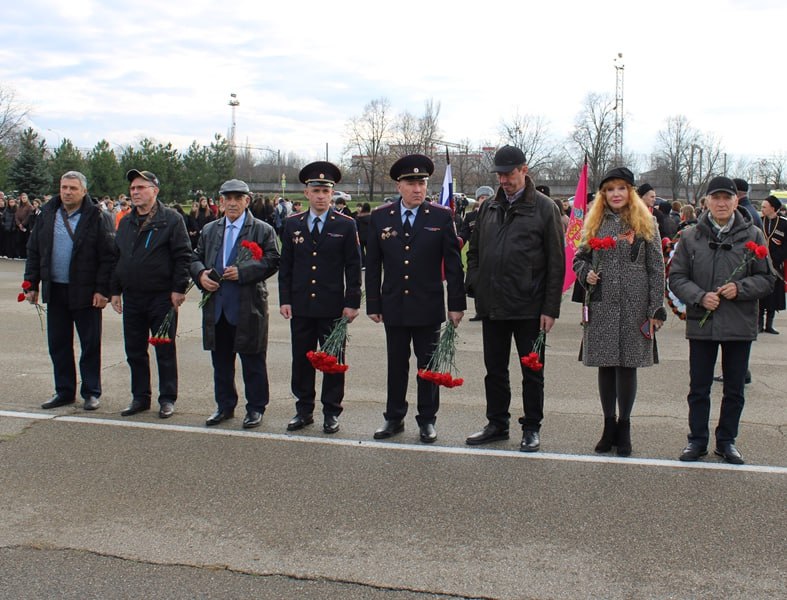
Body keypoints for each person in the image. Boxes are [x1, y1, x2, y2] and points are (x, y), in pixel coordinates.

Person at [464, 146, 565, 452]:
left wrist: (550, 308)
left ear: (524, 170)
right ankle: (497, 423)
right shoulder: (489, 208)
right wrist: (477, 284)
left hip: (529, 307)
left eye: (509, 174)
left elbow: (556, 262)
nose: (504, 180)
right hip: (493, 304)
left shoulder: (546, 209)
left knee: (532, 371)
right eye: (500, 174)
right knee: (494, 369)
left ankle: (532, 426)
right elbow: (476, 252)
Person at [669, 176, 774, 464]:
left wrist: (740, 288)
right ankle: (697, 440)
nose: (722, 203)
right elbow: (677, 277)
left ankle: (727, 441)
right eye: (716, 197)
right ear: (707, 202)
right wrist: (700, 296)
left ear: (736, 200)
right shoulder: (691, 236)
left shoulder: (752, 234)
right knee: (699, 387)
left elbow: (767, 279)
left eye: (727, 197)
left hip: (738, 323)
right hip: (702, 321)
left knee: (734, 389)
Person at [365, 154, 466, 443]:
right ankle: (394, 418)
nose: (418, 189)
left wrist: (456, 305)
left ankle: (427, 419)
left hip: (428, 305)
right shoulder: (381, 217)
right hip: (394, 305)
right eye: (411, 183)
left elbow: (454, 265)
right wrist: (374, 303)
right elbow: (372, 264)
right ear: (399, 186)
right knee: (396, 365)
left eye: (421, 182)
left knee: (428, 366)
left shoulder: (440, 216)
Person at [572, 167, 666, 456]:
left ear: (630, 192)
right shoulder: (595, 222)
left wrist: (655, 309)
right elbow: (579, 258)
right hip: (601, 305)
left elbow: (656, 268)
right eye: (610, 189)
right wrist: (586, 273)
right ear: (603, 194)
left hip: (634, 307)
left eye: (621, 188)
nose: (616, 194)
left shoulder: (646, 222)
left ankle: (624, 425)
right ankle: (608, 423)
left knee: (627, 367)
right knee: (605, 365)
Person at [279, 162, 362, 434]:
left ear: (332, 194)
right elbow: (286, 266)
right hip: (302, 305)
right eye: (315, 190)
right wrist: (285, 299)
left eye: (325, 191)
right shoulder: (292, 225)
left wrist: (352, 302)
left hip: (332, 306)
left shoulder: (346, 225)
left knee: (332, 361)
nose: (320, 196)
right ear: (306, 193)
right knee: (301, 360)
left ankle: (331, 412)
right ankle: (304, 410)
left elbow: (353, 266)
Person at [190, 179, 280, 429]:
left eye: (237, 198)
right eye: (227, 198)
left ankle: (255, 408)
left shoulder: (262, 229)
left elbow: (273, 260)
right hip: (217, 307)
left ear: (247, 201)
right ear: (220, 201)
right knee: (221, 362)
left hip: (247, 306)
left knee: (252, 361)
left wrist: (244, 271)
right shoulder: (210, 230)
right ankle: (224, 405)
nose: (232, 203)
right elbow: (194, 257)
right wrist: (200, 275)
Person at [24, 171, 116, 411]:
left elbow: (108, 257)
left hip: (87, 293)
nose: (67, 192)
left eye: (73, 188)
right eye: (64, 187)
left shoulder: (97, 216)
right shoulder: (46, 213)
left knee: (89, 344)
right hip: (56, 290)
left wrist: (102, 290)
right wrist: (31, 284)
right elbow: (34, 250)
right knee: (58, 343)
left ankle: (91, 392)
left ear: (83, 191)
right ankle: (64, 391)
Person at [110, 170, 192, 419]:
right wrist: (115, 290)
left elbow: (183, 255)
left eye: (140, 188)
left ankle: (167, 398)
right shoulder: (126, 221)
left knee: (164, 349)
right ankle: (140, 397)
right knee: (134, 350)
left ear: (154, 191)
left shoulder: (171, 220)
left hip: (161, 298)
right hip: (133, 297)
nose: (135, 192)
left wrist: (179, 288)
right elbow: (118, 257)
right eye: (133, 188)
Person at [459, 185, 494, 322]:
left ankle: (491, 311)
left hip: (491, 253)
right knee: (476, 283)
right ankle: (480, 311)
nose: (484, 200)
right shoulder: (470, 216)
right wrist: (457, 241)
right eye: (481, 197)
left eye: (487, 197)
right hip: (476, 254)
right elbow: (464, 233)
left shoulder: (496, 213)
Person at [759, 195, 786, 333]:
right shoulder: (759, 221)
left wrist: (775, 258)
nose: (762, 209)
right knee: (760, 294)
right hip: (759, 262)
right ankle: (758, 324)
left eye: (764, 207)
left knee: (773, 295)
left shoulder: (784, 223)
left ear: (773, 208)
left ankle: (769, 324)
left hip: (776, 265)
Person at [355, 202, 372, 268]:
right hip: (369, 236)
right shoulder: (371, 217)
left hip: (360, 236)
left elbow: (356, 227)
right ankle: (370, 264)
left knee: (361, 251)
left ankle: (363, 264)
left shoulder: (358, 217)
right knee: (370, 251)